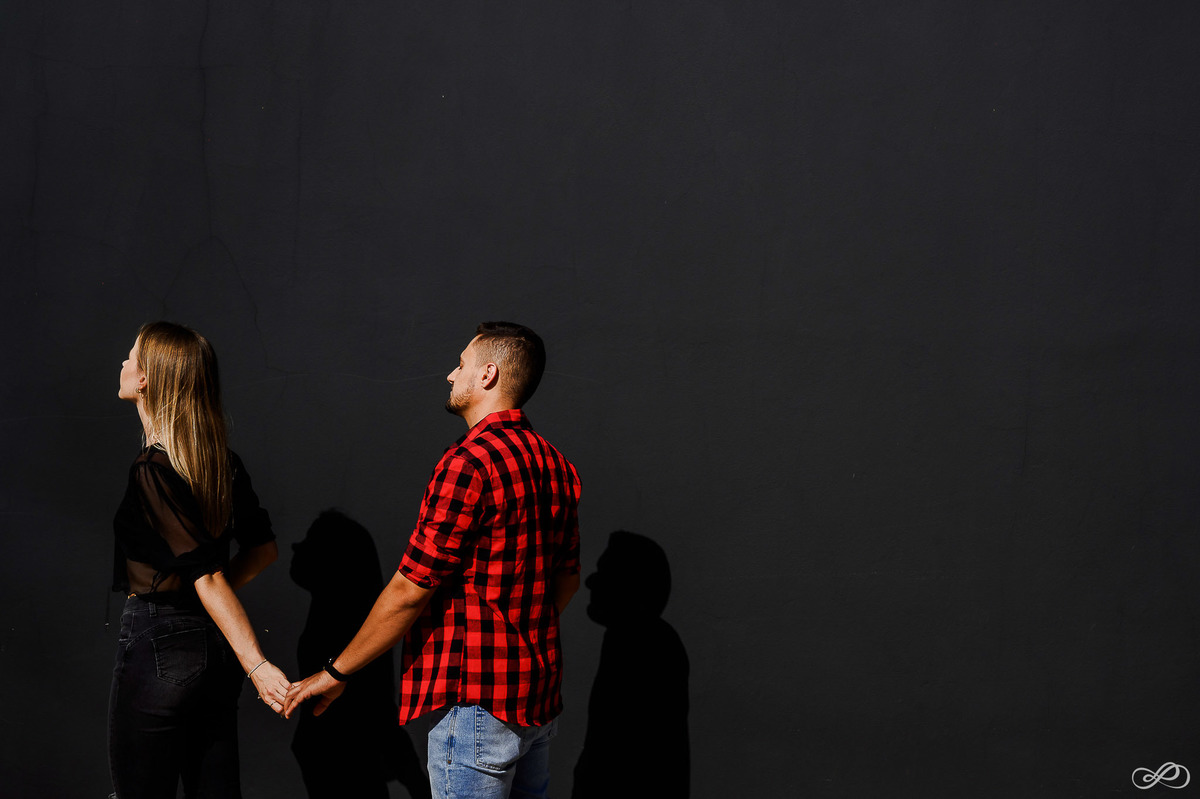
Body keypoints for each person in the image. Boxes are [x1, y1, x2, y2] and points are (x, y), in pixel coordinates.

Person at [284, 321, 582, 799]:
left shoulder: (469, 462)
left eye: (460, 364)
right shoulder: (556, 464)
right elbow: (566, 581)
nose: (450, 374)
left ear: (488, 374)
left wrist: (335, 673)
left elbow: (408, 591)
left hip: (478, 711)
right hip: (535, 705)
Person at [109, 321, 290, 799]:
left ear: (146, 378)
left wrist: (258, 665)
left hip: (159, 640)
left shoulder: (152, 469)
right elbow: (263, 551)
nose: (123, 365)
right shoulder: (221, 462)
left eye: (131, 357)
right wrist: (216, 602)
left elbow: (206, 575)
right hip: (212, 646)